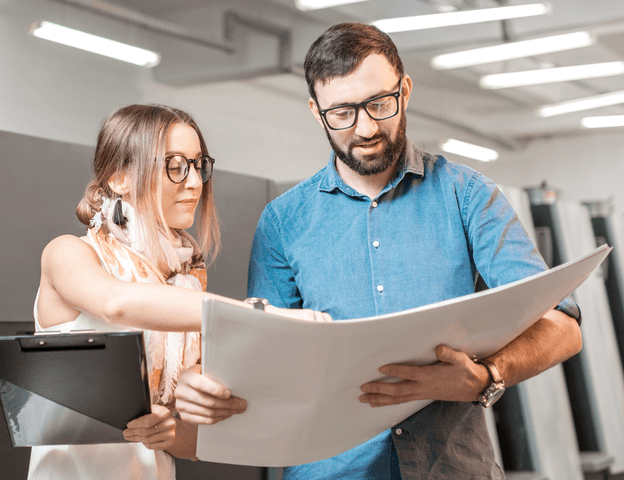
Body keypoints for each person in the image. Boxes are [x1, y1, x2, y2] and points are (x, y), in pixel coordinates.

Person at [173, 23, 583, 480]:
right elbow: (266, 361)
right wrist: (203, 384)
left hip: (449, 468)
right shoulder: (283, 221)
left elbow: (563, 326)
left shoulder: (467, 195)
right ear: (316, 110)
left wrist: (487, 377)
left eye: (378, 104)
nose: (365, 128)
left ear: (404, 90)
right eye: (342, 113)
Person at [30, 103, 329, 480]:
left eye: (198, 165)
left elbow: (191, 443)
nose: (194, 182)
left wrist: (170, 428)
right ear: (120, 177)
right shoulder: (69, 253)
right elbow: (117, 304)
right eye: (175, 166)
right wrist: (266, 315)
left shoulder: (183, 284)